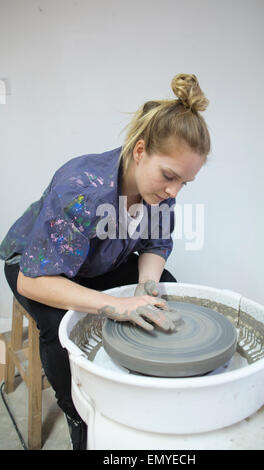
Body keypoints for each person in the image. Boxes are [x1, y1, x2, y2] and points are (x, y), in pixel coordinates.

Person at [0, 73, 211, 449]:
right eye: (169, 176)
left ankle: (149, 382)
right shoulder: (80, 187)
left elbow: (156, 243)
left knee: (166, 289)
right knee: (59, 325)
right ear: (140, 150)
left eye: (184, 183)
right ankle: (78, 415)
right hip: (37, 265)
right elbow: (32, 282)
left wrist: (145, 289)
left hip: (98, 259)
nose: (174, 191)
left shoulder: (163, 192)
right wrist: (116, 305)